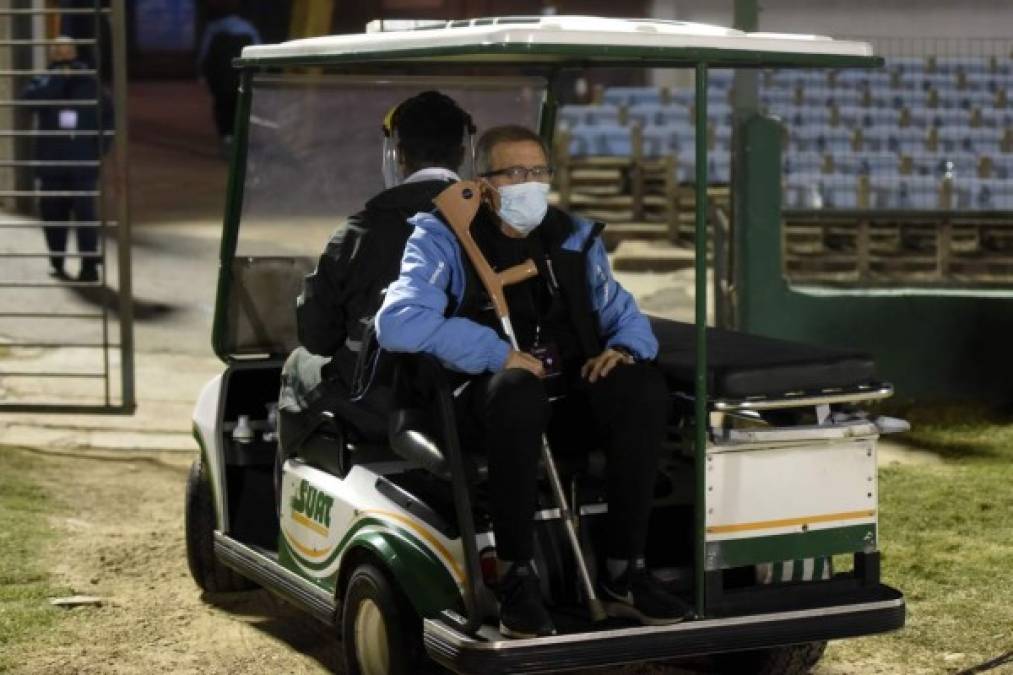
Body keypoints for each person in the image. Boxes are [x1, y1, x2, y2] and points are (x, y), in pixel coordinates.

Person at [375, 124, 692, 638]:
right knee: (517, 393)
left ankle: (624, 570)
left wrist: (625, 348)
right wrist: (497, 354)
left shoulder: (571, 235)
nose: (530, 183)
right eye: (515, 172)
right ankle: (517, 575)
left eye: (539, 172)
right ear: (485, 181)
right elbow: (399, 322)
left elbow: (621, 310)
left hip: (567, 395)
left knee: (641, 387)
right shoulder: (441, 235)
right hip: (485, 401)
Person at [284, 91, 475, 422]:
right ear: (461, 153)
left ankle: (283, 471)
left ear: (398, 154)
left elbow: (318, 336)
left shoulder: (358, 234)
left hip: (379, 405)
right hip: (468, 402)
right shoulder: (495, 227)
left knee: (298, 364)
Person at [21, 37, 112, 282]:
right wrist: (59, 78)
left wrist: (100, 148)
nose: (62, 55)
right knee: (52, 212)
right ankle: (57, 259)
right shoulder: (42, 81)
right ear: (51, 55)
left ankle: (89, 264)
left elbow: (109, 116)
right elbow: (31, 101)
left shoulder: (90, 83)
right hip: (51, 162)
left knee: (85, 214)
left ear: (75, 52)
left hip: (82, 160)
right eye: (57, 51)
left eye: (66, 51)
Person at [197, 0, 261, 154]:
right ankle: (239, 138)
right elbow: (259, 52)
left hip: (220, 80)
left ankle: (227, 137)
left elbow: (205, 55)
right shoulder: (248, 29)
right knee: (240, 107)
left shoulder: (213, 30)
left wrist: (202, 74)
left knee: (222, 107)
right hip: (242, 78)